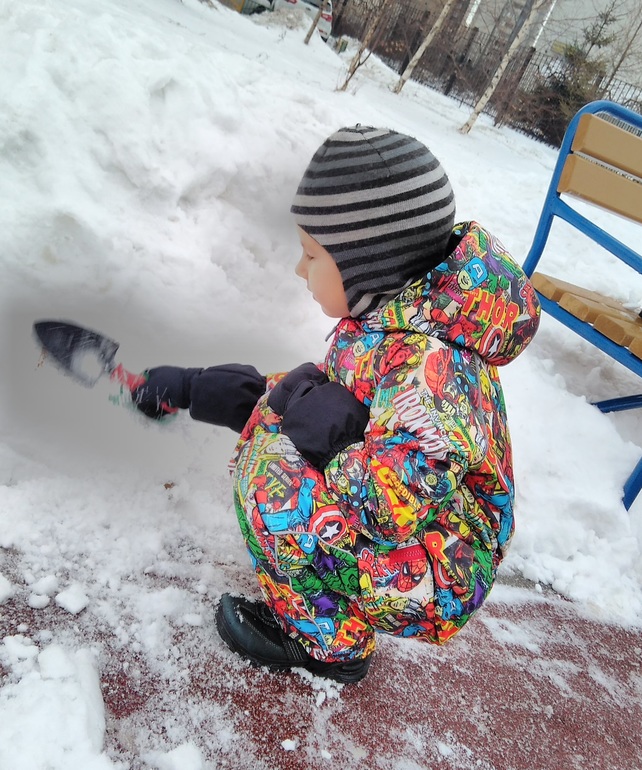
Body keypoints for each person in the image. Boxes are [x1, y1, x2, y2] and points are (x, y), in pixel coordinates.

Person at [131, 126, 541, 684]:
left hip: (441, 569)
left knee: (273, 479)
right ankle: (326, 607)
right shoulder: (393, 318)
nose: (300, 269)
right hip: (422, 534)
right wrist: (199, 388)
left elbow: (388, 509)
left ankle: (328, 643)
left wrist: (329, 435)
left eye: (312, 254)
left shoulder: (429, 370)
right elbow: (328, 400)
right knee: (288, 423)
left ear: (368, 264)